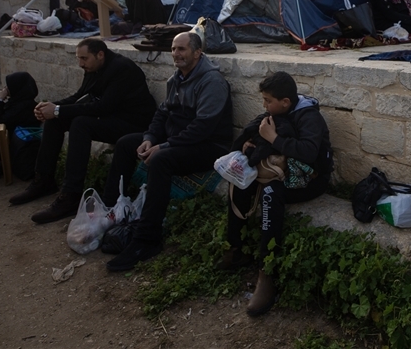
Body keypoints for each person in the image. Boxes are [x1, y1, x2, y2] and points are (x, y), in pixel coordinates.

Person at [103, 32, 233, 271]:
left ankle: (147, 239)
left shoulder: (211, 82)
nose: (176, 54)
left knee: (161, 160)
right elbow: (163, 112)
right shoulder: (177, 78)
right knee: (125, 143)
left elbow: (202, 127)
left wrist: (163, 146)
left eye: (182, 49)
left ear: (197, 53)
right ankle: (110, 210)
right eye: (174, 49)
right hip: (179, 139)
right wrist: (149, 138)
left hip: (208, 146)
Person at [219, 71, 333, 316]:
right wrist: (250, 145)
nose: (264, 106)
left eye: (268, 101)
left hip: (308, 179)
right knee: (241, 180)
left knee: (271, 193)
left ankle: (266, 272)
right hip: (278, 171)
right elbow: (254, 134)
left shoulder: (309, 117)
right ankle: (235, 249)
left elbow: (308, 153)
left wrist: (273, 138)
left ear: (285, 102)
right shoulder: (276, 113)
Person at [8, 38, 157, 223]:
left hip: (133, 124)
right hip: (112, 118)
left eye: (84, 58)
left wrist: (57, 110)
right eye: (79, 58)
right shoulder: (93, 68)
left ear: (100, 55)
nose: (80, 63)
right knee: (56, 121)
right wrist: (51, 108)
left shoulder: (121, 68)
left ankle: (71, 195)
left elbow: (103, 107)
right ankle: (43, 180)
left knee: (80, 124)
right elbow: (80, 97)